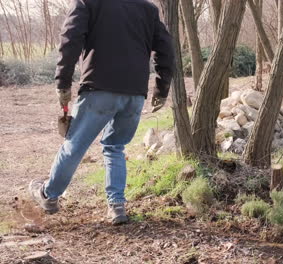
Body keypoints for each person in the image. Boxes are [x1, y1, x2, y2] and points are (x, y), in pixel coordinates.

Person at [29, 0, 175, 225]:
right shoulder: (148, 9)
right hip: (135, 94)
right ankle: (116, 206)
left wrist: (63, 83)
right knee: (115, 147)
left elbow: (70, 41)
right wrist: (162, 88)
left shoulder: (88, 2)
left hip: (100, 89)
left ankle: (49, 196)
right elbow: (166, 49)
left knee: (74, 145)